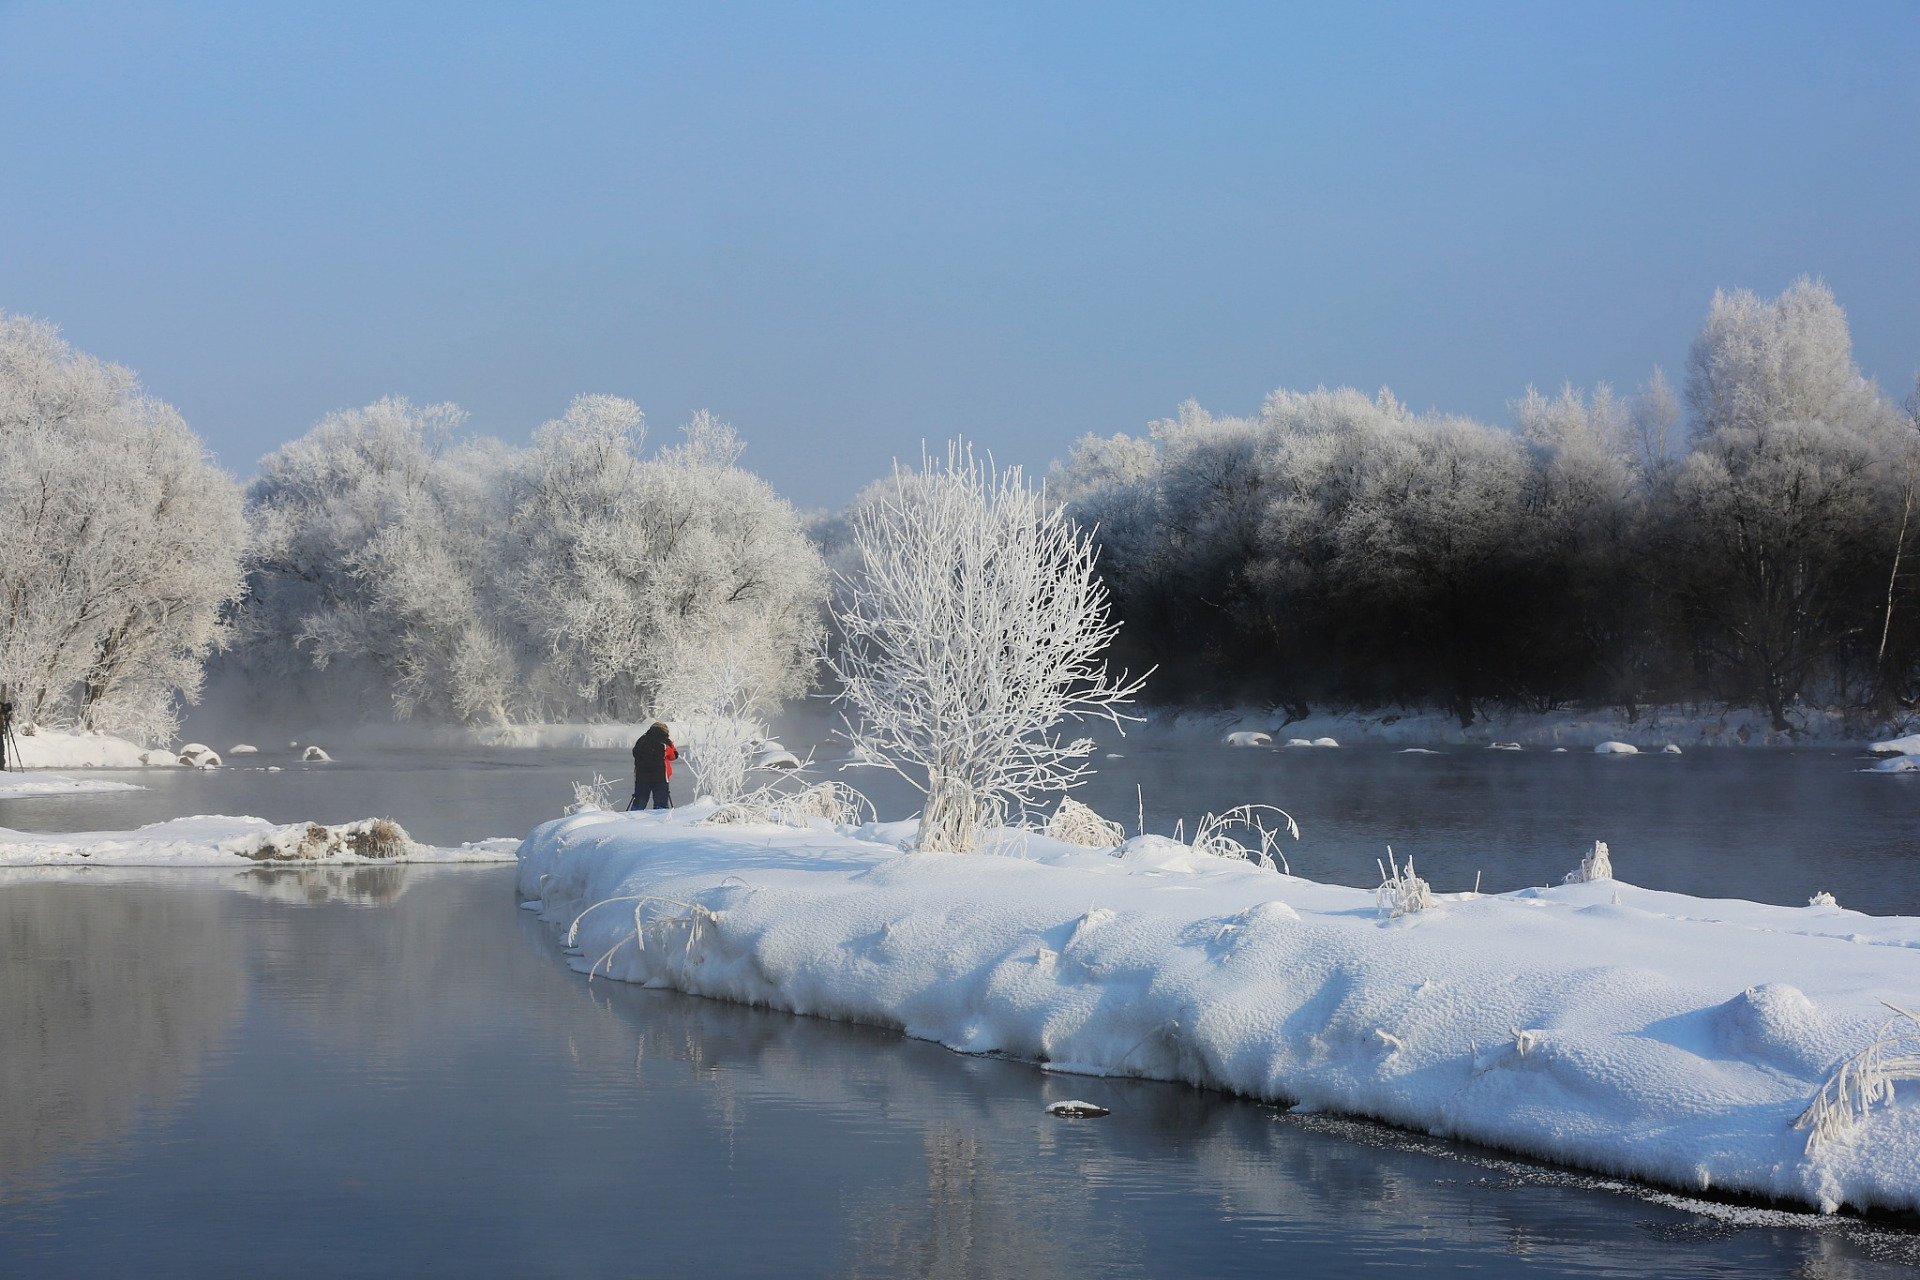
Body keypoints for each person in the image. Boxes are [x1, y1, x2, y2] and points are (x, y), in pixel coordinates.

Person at [630, 721, 677, 810]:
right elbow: (673, 756)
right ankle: (660, 821)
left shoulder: (641, 740)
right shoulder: (666, 741)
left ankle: (632, 818)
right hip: (660, 777)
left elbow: (635, 753)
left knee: (640, 801)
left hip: (641, 776)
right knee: (661, 803)